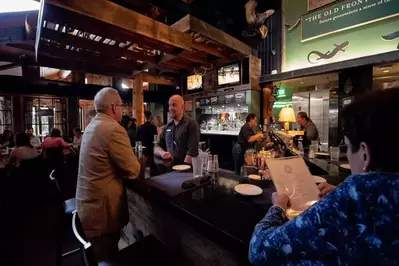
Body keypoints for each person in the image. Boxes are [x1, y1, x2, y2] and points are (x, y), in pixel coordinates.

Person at [249, 88, 399, 265]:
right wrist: (339, 191)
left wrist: (278, 208)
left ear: (365, 154)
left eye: (348, 147)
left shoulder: (354, 196)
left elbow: (259, 250)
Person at [76, 87, 140, 261]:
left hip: (87, 208)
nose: (122, 109)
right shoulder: (113, 129)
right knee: (107, 255)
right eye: (121, 105)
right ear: (113, 108)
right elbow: (133, 170)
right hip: (100, 216)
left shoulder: (91, 126)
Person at [154, 95, 199, 165]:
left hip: (185, 170)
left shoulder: (191, 124)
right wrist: (162, 153)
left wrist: (181, 171)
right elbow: (156, 147)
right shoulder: (167, 127)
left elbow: (192, 153)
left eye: (174, 105)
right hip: (169, 170)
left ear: (182, 107)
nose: (171, 108)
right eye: (169, 105)